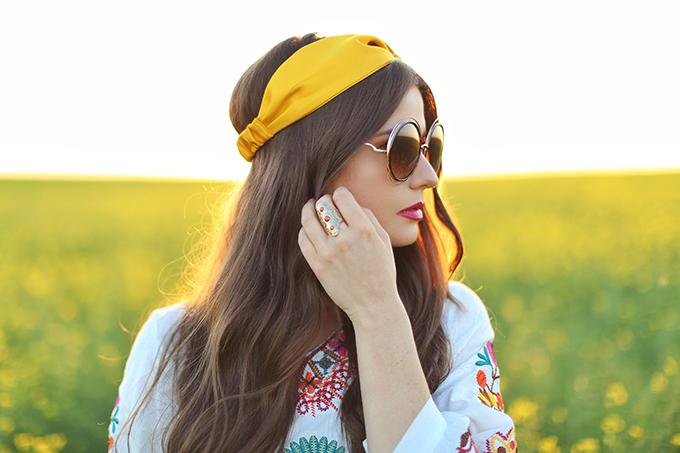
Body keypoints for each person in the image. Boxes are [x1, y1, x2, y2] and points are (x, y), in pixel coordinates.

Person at [108, 33, 516, 453]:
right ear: (315, 160)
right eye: (405, 147)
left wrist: (379, 314)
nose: (429, 176)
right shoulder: (174, 342)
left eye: (433, 147)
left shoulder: (453, 322)